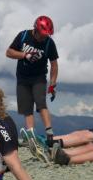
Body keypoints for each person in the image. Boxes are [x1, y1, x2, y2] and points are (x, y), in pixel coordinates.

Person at [6, 15, 59, 158]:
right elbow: (9, 52)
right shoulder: (23, 36)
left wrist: (53, 83)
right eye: (42, 35)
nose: (44, 38)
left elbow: (54, 64)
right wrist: (25, 55)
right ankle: (31, 135)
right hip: (22, 78)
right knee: (26, 108)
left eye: (46, 35)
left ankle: (49, 133)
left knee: (41, 103)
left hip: (39, 77)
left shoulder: (49, 43)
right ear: (35, 30)